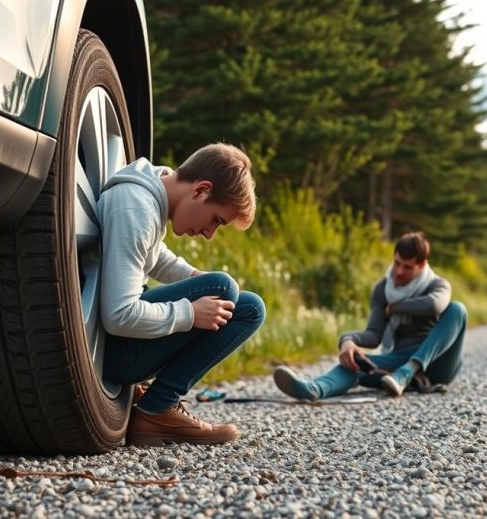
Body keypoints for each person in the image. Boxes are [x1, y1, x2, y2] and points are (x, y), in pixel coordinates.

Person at [99, 143, 265, 446]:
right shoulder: (136, 207)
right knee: (224, 288)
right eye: (216, 220)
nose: (209, 234)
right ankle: (156, 410)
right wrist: (189, 314)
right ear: (201, 190)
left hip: (120, 347)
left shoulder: (148, 196)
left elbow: (153, 254)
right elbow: (118, 316)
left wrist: (193, 277)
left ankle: (155, 404)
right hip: (108, 353)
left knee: (250, 307)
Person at [273, 232, 467, 400]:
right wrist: (348, 340)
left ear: (422, 264)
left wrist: (395, 307)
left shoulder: (438, 285)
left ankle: (408, 372)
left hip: (439, 364)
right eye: (397, 263)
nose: (399, 272)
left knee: (457, 309)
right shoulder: (382, 289)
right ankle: (313, 389)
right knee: (355, 362)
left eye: (407, 267)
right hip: (397, 362)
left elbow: (434, 305)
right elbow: (374, 335)